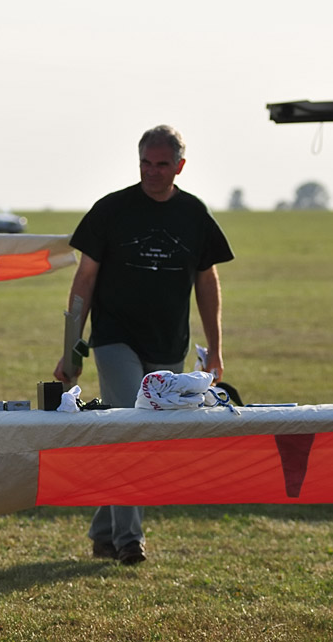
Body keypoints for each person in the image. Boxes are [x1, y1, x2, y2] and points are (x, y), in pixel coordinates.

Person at [53, 125, 234, 565]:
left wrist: (215, 348)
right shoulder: (111, 211)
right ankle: (129, 541)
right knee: (133, 423)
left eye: (162, 165)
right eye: (145, 164)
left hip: (169, 341)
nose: (152, 172)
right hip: (114, 338)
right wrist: (72, 346)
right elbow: (85, 279)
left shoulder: (194, 214)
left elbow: (207, 280)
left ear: (180, 167)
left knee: (143, 435)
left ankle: (103, 531)